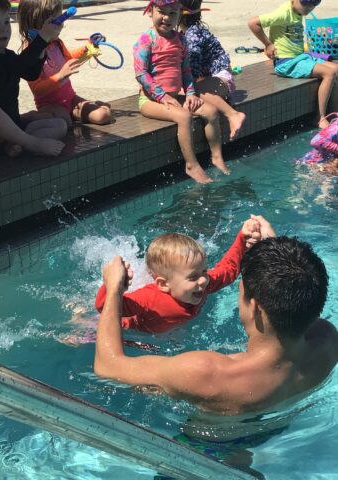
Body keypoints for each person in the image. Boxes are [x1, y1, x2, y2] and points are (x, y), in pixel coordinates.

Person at [94, 215, 338, 415]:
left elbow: (108, 367)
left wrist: (114, 287)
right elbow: (296, 299)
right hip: (276, 431)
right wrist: (277, 255)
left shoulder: (206, 373)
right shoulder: (328, 340)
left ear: (254, 307)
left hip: (211, 450)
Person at [95, 218, 260, 333]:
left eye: (204, 271)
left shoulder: (204, 284)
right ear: (163, 284)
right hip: (131, 330)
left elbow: (229, 270)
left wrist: (242, 240)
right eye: (193, 277)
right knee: (104, 328)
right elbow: (106, 308)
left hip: (169, 329)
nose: (203, 279)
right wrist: (115, 284)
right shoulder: (149, 298)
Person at [133, 0, 230, 184]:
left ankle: (217, 157)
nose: (166, 18)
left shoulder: (180, 39)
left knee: (211, 111)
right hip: (150, 101)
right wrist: (161, 97)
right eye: (162, 12)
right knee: (184, 117)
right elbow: (141, 73)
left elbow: (185, 71)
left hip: (175, 97)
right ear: (150, 12)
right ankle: (191, 165)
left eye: (172, 13)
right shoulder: (146, 40)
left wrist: (191, 93)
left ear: (180, 15)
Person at [0, 0, 67, 157]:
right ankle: (33, 143)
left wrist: (42, 46)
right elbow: (18, 65)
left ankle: (16, 144)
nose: (4, 29)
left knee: (60, 125)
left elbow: (31, 73)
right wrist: (42, 39)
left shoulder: (9, 56)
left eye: (6, 22)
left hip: (12, 128)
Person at [17, 0, 111, 127]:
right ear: (40, 24)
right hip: (50, 106)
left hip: (71, 100)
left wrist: (87, 49)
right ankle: (22, 119)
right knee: (64, 121)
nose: (61, 26)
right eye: (58, 22)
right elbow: (37, 90)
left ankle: (102, 107)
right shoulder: (31, 52)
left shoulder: (57, 43)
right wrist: (60, 76)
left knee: (102, 116)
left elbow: (67, 59)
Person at [248, 0, 338, 129]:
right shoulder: (283, 13)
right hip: (286, 62)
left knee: (336, 69)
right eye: (305, 3)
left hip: (300, 57)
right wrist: (268, 44)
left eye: (314, 4)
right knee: (329, 73)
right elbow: (253, 23)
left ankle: (333, 113)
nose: (308, 8)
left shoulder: (298, 10)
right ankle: (320, 117)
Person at [179, 0, 246, 141]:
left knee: (191, 88)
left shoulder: (192, 35)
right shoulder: (190, 31)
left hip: (222, 81)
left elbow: (193, 71)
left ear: (180, 13)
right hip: (216, 81)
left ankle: (233, 114)